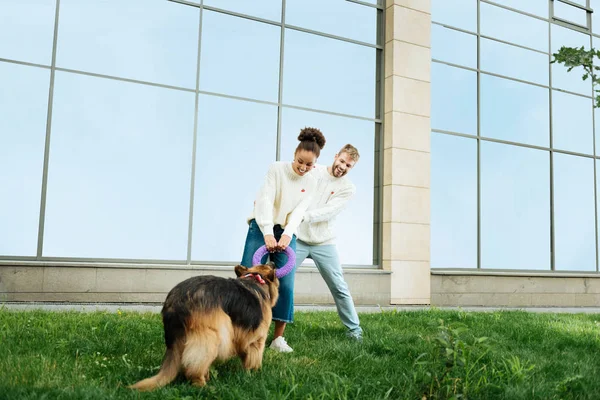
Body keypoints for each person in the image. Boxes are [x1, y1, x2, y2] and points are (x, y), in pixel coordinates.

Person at [240, 127, 326, 353]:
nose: (303, 168)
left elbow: (300, 210)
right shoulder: (276, 169)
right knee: (249, 276)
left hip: (288, 231)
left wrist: (287, 233)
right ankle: (243, 328)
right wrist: (267, 231)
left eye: (309, 165)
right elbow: (265, 200)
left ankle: (278, 339)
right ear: (295, 154)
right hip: (262, 225)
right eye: (300, 161)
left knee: (286, 284)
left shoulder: (313, 180)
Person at [295, 144, 363, 342]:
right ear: (335, 157)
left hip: (324, 242)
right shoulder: (313, 171)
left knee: (339, 286)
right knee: (279, 280)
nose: (343, 167)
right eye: (342, 161)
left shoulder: (348, 188)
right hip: (298, 238)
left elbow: (330, 211)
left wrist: (303, 216)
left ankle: (354, 331)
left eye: (348, 166)